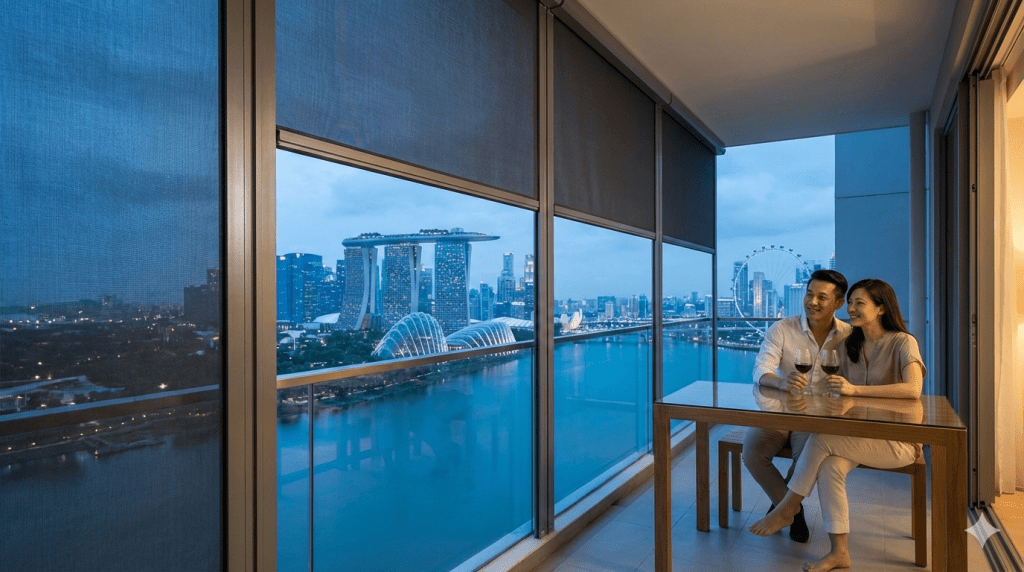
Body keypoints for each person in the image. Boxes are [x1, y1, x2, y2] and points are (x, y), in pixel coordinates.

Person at [749, 278, 925, 572]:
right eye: (851, 303)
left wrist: (855, 391)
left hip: (896, 439)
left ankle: (788, 508)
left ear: (881, 308)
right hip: (857, 436)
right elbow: (832, 387)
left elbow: (913, 390)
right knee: (829, 466)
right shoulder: (850, 344)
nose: (852, 309)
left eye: (859, 303)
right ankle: (839, 552)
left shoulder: (903, 342)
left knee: (820, 439)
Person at [744, 269, 850, 543]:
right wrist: (781, 382)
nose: (812, 302)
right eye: (809, 294)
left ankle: (782, 508)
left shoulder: (849, 336)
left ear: (838, 303)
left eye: (822, 297)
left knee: (806, 461)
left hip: (817, 418)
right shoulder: (782, 329)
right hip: (779, 412)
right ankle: (793, 510)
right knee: (752, 453)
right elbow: (760, 370)